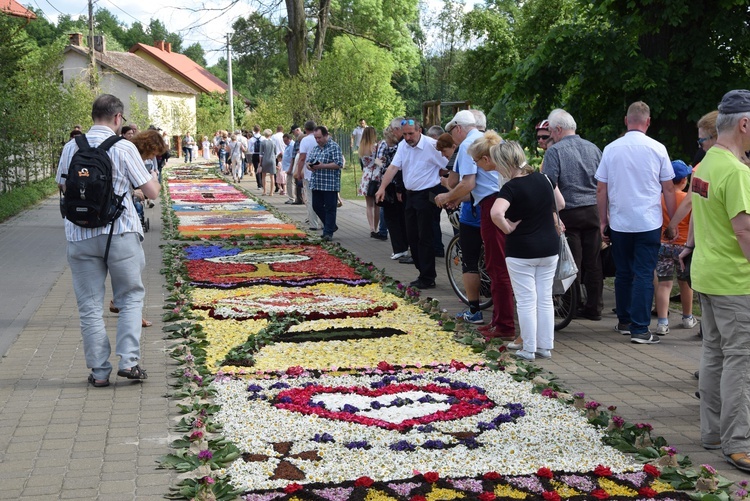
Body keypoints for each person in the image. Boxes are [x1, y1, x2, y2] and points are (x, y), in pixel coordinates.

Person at [56, 94, 160, 387]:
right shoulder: (124, 147)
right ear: (118, 118)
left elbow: (63, 185)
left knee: (89, 306)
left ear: (93, 116)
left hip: (79, 235)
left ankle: (99, 372)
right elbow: (151, 192)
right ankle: (129, 362)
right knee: (129, 299)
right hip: (120, 233)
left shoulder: (70, 147)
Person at [684, 89, 750, 473]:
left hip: (707, 274)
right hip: (734, 280)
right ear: (744, 124)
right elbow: (744, 231)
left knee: (714, 355)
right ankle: (738, 443)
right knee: (741, 362)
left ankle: (712, 434)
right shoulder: (737, 172)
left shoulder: (706, 163)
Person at [596, 101, 677, 344]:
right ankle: (641, 329)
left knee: (623, 273)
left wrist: (603, 221)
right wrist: (673, 221)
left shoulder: (611, 149)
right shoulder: (658, 148)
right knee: (643, 273)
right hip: (648, 221)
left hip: (620, 221)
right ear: (648, 122)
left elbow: (601, 189)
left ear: (626, 120)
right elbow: (669, 189)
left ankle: (624, 321)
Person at [482, 140, 565, 360]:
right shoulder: (544, 178)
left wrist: (508, 227)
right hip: (549, 246)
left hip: (521, 249)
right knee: (545, 297)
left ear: (503, 162)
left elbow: (496, 213)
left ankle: (528, 348)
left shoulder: (510, 187)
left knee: (526, 299)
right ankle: (545, 346)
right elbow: (561, 203)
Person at [436, 111, 516, 340]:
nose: (452, 138)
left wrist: (447, 196)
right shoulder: (490, 139)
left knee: (496, 267)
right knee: (497, 265)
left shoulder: (469, 145)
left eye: (452, 132)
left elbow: (467, 183)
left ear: (458, 128)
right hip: (499, 202)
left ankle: (504, 325)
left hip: (491, 206)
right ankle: (499, 321)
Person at [543, 108, 604, 321]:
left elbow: (550, 184)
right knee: (594, 260)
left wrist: (550, 213)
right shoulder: (594, 148)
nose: (550, 135)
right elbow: (602, 181)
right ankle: (595, 307)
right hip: (593, 210)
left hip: (568, 211)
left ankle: (572, 305)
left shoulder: (555, 151)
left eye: (551, 130)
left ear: (559, 129)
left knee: (571, 261)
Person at [375, 118, 448, 289]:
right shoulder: (403, 146)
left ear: (419, 130)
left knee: (425, 236)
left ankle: (428, 276)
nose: (407, 137)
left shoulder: (431, 145)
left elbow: (448, 165)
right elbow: (393, 168)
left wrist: (440, 179)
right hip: (410, 195)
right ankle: (421, 271)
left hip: (428, 193)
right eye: (405, 134)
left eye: (411, 133)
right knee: (412, 235)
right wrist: (382, 187)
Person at [435, 132, 484, 325]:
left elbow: (463, 184)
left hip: (474, 215)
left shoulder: (465, 147)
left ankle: (474, 309)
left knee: (470, 261)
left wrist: (448, 194)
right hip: (487, 207)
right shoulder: (496, 144)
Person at [654, 160, 697, 335]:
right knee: (686, 284)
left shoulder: (659, 198)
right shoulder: (689, 200)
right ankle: (687, 318)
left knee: (664, 284)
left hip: (663, 246)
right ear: (685, 180)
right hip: (683, 246)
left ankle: (662, 322)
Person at [307, 126, 344, 241]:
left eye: (319, 138)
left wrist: (323, 166)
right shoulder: (316, 148)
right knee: (316, 206)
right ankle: (331, 225)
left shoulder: (334, 147)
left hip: (330, 184)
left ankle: (328, 232)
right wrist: (310, 166)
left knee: (330, 208)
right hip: (317, 183)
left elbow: (339, 164)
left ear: (325, 135)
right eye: (316, 138)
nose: (317, 140)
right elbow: (309, 160)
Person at [378, 125, 409, 260]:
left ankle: (401, 247)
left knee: (396, 217)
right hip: (388, 182)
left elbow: (399, 168)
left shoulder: (400, 147)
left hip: (396, 185)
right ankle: (399, 247)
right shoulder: (383, 146)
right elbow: (377, 162)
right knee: (392, 217)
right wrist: (381, 164)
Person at [357, 126, 385, 239]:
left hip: (366, 176)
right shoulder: (375, 147)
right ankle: (376, 227)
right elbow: (377, 162)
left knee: (369, 205)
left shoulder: (362, 148)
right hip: (376, 176)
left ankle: (371, 228)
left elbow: (365, 163)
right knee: (377, 205)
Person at [294, 121, 323, 229]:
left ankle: (313, 223)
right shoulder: (320, 138)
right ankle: (324, 222)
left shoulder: (305, 140)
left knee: (311, 199)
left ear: (305, 129)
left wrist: (299, 172)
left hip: (309, 173)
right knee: (321, 198)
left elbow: (302, 158)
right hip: (321, 172)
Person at [259, 129, 277, 196]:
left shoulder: (263, 142)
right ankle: (271, 192)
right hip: (272, 160)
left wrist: (260, 163)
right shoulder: (273, 142)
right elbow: (275, 153)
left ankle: (264, 191)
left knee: (263, 176)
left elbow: (261, 154)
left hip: (265, 160)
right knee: (272, 176)